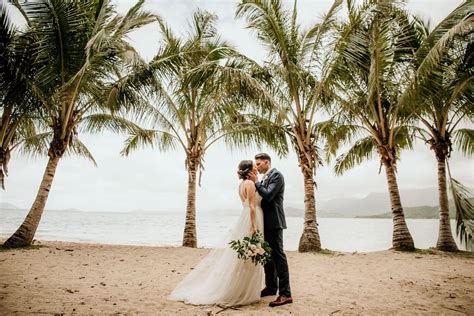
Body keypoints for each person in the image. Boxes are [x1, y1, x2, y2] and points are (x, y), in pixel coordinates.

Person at [168, 160, 264, 306]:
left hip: (244, 217)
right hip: (252, 218)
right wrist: (254, 227)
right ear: (249, 171)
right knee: (248, 255)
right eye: (254, 168)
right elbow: (251, 206)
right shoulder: (250, 184)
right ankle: (241, 291)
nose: (256, 170)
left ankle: (243, 289)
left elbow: (244, 205)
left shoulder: (241, 185)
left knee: (245, 255)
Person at [248, 153, 293, 307]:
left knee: (279, 257)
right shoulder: (265, 178)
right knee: (267, 256)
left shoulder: (277, 176)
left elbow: (268, 195)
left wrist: (256, 183)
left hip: (275, 222)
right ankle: (271, 287)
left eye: (259, 164)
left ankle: (286, 294)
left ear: (267, 162)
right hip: (264, 222)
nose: (257, 167)